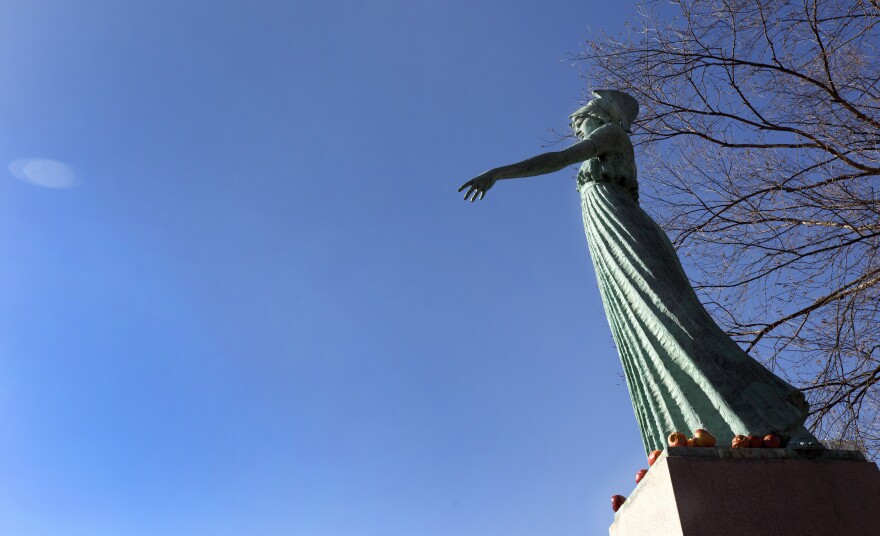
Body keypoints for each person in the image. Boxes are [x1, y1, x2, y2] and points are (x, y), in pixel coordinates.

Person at [459, 90, 818, 452]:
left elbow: (560, 158)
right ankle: (711, 432)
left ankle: (769, 422)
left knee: (678, 324)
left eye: (580, 118)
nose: (576, 126)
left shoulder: (613, 136)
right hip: (609, 237)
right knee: (643, 328)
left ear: (602, 115)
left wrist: (498, 173)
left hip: (627, 232)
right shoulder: (603, 145)